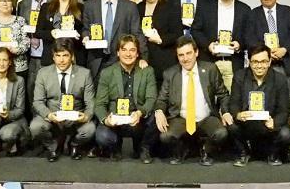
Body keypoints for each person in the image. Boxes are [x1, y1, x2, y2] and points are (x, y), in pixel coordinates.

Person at [154, 36, 231, 166]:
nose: (185, 58)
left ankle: (206, 149)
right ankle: (182, 148)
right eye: (181, 55)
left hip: (206, 118)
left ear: (196, 52)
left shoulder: (210, 69)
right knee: (165, 136)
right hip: (181, 118)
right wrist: (159, 111)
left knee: (221, 133)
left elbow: (223, 94)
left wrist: (225, 112)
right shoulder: (170, 74)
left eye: (189, 53)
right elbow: (161, 99)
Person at [94, 34, 158, 163]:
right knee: (102, 136)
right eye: (124, 50)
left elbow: (151, 98)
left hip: (137, 117)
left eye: (132, 50)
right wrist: (106, 120)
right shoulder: (107, 73)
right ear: (118, 53)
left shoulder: (147, 71)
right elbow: (100, 103)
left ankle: (142, 148)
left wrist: (140, 113)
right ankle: (115, 148)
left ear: (137, 53)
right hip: (115, 119)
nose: (128, 54)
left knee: (156, 117)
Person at [30, 39, 95, 162]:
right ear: (53, 57)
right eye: (58, 56)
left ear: (72, 56)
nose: (61, 60)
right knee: (35, 127)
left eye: (65, 55)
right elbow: (37, 102)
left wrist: (86, 116)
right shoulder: (43, 73)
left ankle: (73, 144)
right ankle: (53, 147)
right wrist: (48, 114)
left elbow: (90, 102)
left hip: (75, 116)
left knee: (90, 129)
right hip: (52, 114)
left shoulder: (84, 74)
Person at [228, 44, 290, 167]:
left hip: (268, 125)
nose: (259, 66)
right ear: (249, 62)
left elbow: (284, 109)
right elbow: (234, 102)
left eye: (263, 61)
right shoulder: (240, 76)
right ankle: (243, 152)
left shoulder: (280, 79)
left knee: (286, 134)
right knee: (231, 125)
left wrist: (275, 122)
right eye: (255, 62)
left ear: (269, 62)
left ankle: (273, 154)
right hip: (246, 123)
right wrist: (238, 114)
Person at [82, 0, 148, 81]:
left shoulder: (130, 7)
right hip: (96, 63)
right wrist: (85, 36)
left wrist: (143, 57)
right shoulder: (89, 6)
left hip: (122, 62)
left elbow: (137, 34)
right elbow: (85, 28)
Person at [192, 0, 251, 91]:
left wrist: (240, 44)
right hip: (210, 61)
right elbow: (195, 30)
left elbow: (249, 34)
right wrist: (208, 45)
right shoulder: (205, 7)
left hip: (233, 63)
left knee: (232, 99)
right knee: (209, 99)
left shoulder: (244, 9)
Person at [247, 0, 290, 95]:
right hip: (262, 65)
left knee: (286, 98)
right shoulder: (252, 14)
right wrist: (267, 52)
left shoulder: (288, 11)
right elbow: (249, 38)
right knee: (265, 98)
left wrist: (284, 49)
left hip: (286, 63)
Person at [17, 0, 54, 116]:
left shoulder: (55, 0)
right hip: (30, 56)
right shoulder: (23, 4)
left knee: (50, 94)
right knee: (31, 94)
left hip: (50, 55)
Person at [137, 0, 183, 87]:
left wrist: (160, 40)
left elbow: (178, 34)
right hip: (142, 60)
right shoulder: (138, 7)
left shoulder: (170, 8)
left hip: (164, 60)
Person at [36, 0, 86, 68]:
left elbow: (84, 30)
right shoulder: (46, 7)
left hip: (74, 56)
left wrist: (77, 34)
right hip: (50, 57)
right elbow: (38, 32)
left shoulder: (80, 8)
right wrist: (51, 33)